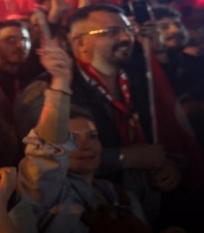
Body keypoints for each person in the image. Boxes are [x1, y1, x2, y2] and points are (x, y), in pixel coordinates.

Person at [14, 4, 179, 224]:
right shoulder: (49, 90)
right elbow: (44, 161)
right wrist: (121, 158)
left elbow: (169, 130)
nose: (125, 37)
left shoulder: (143, 79)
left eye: (128, 29)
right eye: (111, 32)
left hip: (149, 207)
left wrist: (172, 162)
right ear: (80, 43)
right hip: (88, 213)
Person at [18, 35, 150, 232]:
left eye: (92, 136)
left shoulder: (121, 196)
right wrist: (61, 81)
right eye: (71, 139)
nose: (85, 146)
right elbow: (46, 151)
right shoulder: (48, 194)